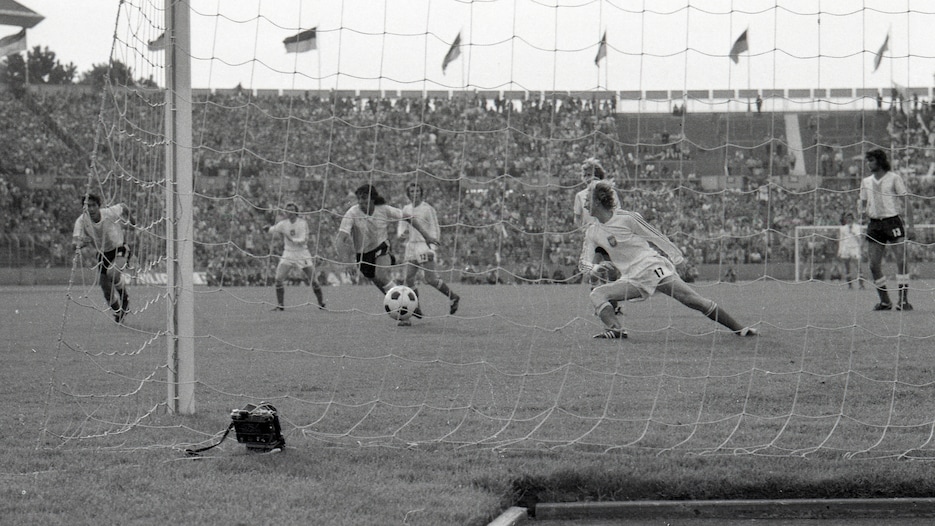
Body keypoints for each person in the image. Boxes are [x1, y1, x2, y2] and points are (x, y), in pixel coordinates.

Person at [580, 181, 757, 339]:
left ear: (598, 201)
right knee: (597, 294)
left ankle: (740, 329)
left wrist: (677, 258)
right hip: (631, 278)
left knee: (691, 299)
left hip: (650, 267)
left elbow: (656, 236)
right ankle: (616, 330)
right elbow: (583, 263)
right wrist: (595, 268)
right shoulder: (592, 232)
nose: (585, 204)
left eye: (587, 199)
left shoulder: (626, 218)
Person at [335, 184, 440, 322]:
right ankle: (406, 306)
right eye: (359, 198)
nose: (361, 202)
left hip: (381, 247)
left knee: (381, 276)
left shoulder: (383, 209)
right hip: (363, 254)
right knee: (381, 284)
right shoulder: (352, 213)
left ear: (372, 198)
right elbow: (340, 238)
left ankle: (406, 311)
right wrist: (347, 262)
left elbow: (408, 217)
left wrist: (426, 236)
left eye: (364, 198)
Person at [860, 149, 914, 311]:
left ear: (880, 161)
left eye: (871, 160)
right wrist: (862, 212)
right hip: (875, 224)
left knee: (901, 260)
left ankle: (903, 300)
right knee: (873, 265)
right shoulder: (866, 182)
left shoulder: (894, 178)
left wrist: (911, 226)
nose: (868, 164)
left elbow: (906, 202)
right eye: (867, 160)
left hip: (892, 222)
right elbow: (863, 203)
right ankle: (885, 301)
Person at [397, 182, 461, 321]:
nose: (415, 193)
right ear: (408, 194)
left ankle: (453, 297)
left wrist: (432, 248)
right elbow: (401, 226)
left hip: (424, 246)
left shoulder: (427, 209)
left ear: (421, 193)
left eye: (417, 191)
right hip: (411, 246)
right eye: (412, 191)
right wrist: (401, 234)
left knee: (430, 279)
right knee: (409, 278)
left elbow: (435, 228)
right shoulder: (406, 208)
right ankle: (416, 306)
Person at [72, 193, 134, 323]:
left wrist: (132, 220)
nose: (91, 209)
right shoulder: (81, 221)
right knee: (105, 289)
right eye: (88, 206)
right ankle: (118, 312)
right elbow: (75, 243)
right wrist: (83, 242)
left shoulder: (109, 213)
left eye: (93, 205)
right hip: (103, 253)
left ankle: (124, 298)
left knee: (113, 274)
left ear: (98, 206)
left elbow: (123, 206)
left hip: (119, 248)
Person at [573, 158, 622, 314]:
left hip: (608, 235)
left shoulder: (610, 193)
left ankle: (614, 305)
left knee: (612, 270)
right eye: (586, 175)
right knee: (593, 271)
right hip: (592, 237)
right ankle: (599, 305)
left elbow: (617, 212)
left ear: (598, 175)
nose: (588, 178)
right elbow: (577, 217)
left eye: (591, 174)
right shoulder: (580, 195)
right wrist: (581, 228)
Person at [267, 202, 325, 311]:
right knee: (278, 279)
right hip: (288, 253)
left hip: (302, 253)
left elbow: (303, 240)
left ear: (296, 211)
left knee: (313, 280)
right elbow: (272, 229)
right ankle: (280, 305)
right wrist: (267, 229)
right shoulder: (283, 224)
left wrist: (292, 239)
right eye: (287, 210)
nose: (289, 212)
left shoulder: (302, 223)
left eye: (292, 210)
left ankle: (321, 303)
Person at [836, 211, 864, 289]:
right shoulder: (843, 228)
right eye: (847, 218)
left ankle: (861, 284)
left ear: (852, 219)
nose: (849, 220)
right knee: (847, 267)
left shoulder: (857, 227)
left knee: (858, 266)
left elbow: (859, 239)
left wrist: (853, 232)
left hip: (854, 248)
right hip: (846, 248)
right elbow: (841, 240)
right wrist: (840, 251)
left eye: (850, 218)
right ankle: (849, 284)